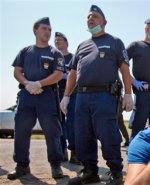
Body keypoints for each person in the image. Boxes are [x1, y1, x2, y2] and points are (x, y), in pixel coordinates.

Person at [60, 5, 133, 185]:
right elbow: (72, 73)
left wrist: (129, 94)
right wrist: (67, 96)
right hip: (82, 97)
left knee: (108, 134)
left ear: (104, 21)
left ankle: (116, 172)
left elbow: (124, 69)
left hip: (105, 96)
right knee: (83, 135)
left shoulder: (115, 42)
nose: (90, 19)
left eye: (95, 16)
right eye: (88, 17)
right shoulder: (82, 45)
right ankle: (90, 171)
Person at [8, 17, 65, 180]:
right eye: (44, 28)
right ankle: (21, 165)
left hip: (47, 96)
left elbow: (58, 74)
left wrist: (39, 83)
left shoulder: (55, 53)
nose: (48, 32)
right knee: (20, 131)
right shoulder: (25, 51)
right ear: (35, 30)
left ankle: (56, 166)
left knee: (52, 132)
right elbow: (17, 71)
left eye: (49, 29)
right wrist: (27, 84)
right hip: (26, 96)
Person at [54, 32, 80, 164]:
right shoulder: (53, 57)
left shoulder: (73, 57)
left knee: (72, 124)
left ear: (66, 42)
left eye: (59, 40)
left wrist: (66, 76)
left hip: (71, 94)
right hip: (55, 94)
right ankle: (62, 151)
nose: (57, 42)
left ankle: (74, 153)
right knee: (58, 124)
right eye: (55, 40)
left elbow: (76, 74)